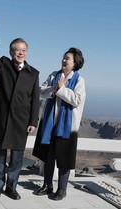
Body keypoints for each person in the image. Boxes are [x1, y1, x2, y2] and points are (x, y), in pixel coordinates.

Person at [0, 37, 40, 200]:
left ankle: (11, 188)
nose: (20, 52)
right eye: (17, 49)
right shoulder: (3, 65)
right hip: (2, 119)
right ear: (10, 51)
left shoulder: (33, 73)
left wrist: (33, 121)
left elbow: (35, 99)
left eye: (23, 50)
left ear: (26, 53)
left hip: (21, 121)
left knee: (16, 157)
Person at [32, 47, 86, 201]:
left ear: (75, 63)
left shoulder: (79, 80)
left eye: (67, 58)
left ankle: (62, 189)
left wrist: (61, 89)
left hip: (67, 128)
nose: (64, 60)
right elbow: (41, 91)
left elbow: (77, 100)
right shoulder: (54, 75)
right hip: (50, 124)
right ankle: (47, 184)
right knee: (48, 157)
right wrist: (54, 88)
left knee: (63, 159)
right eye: (64, 57)